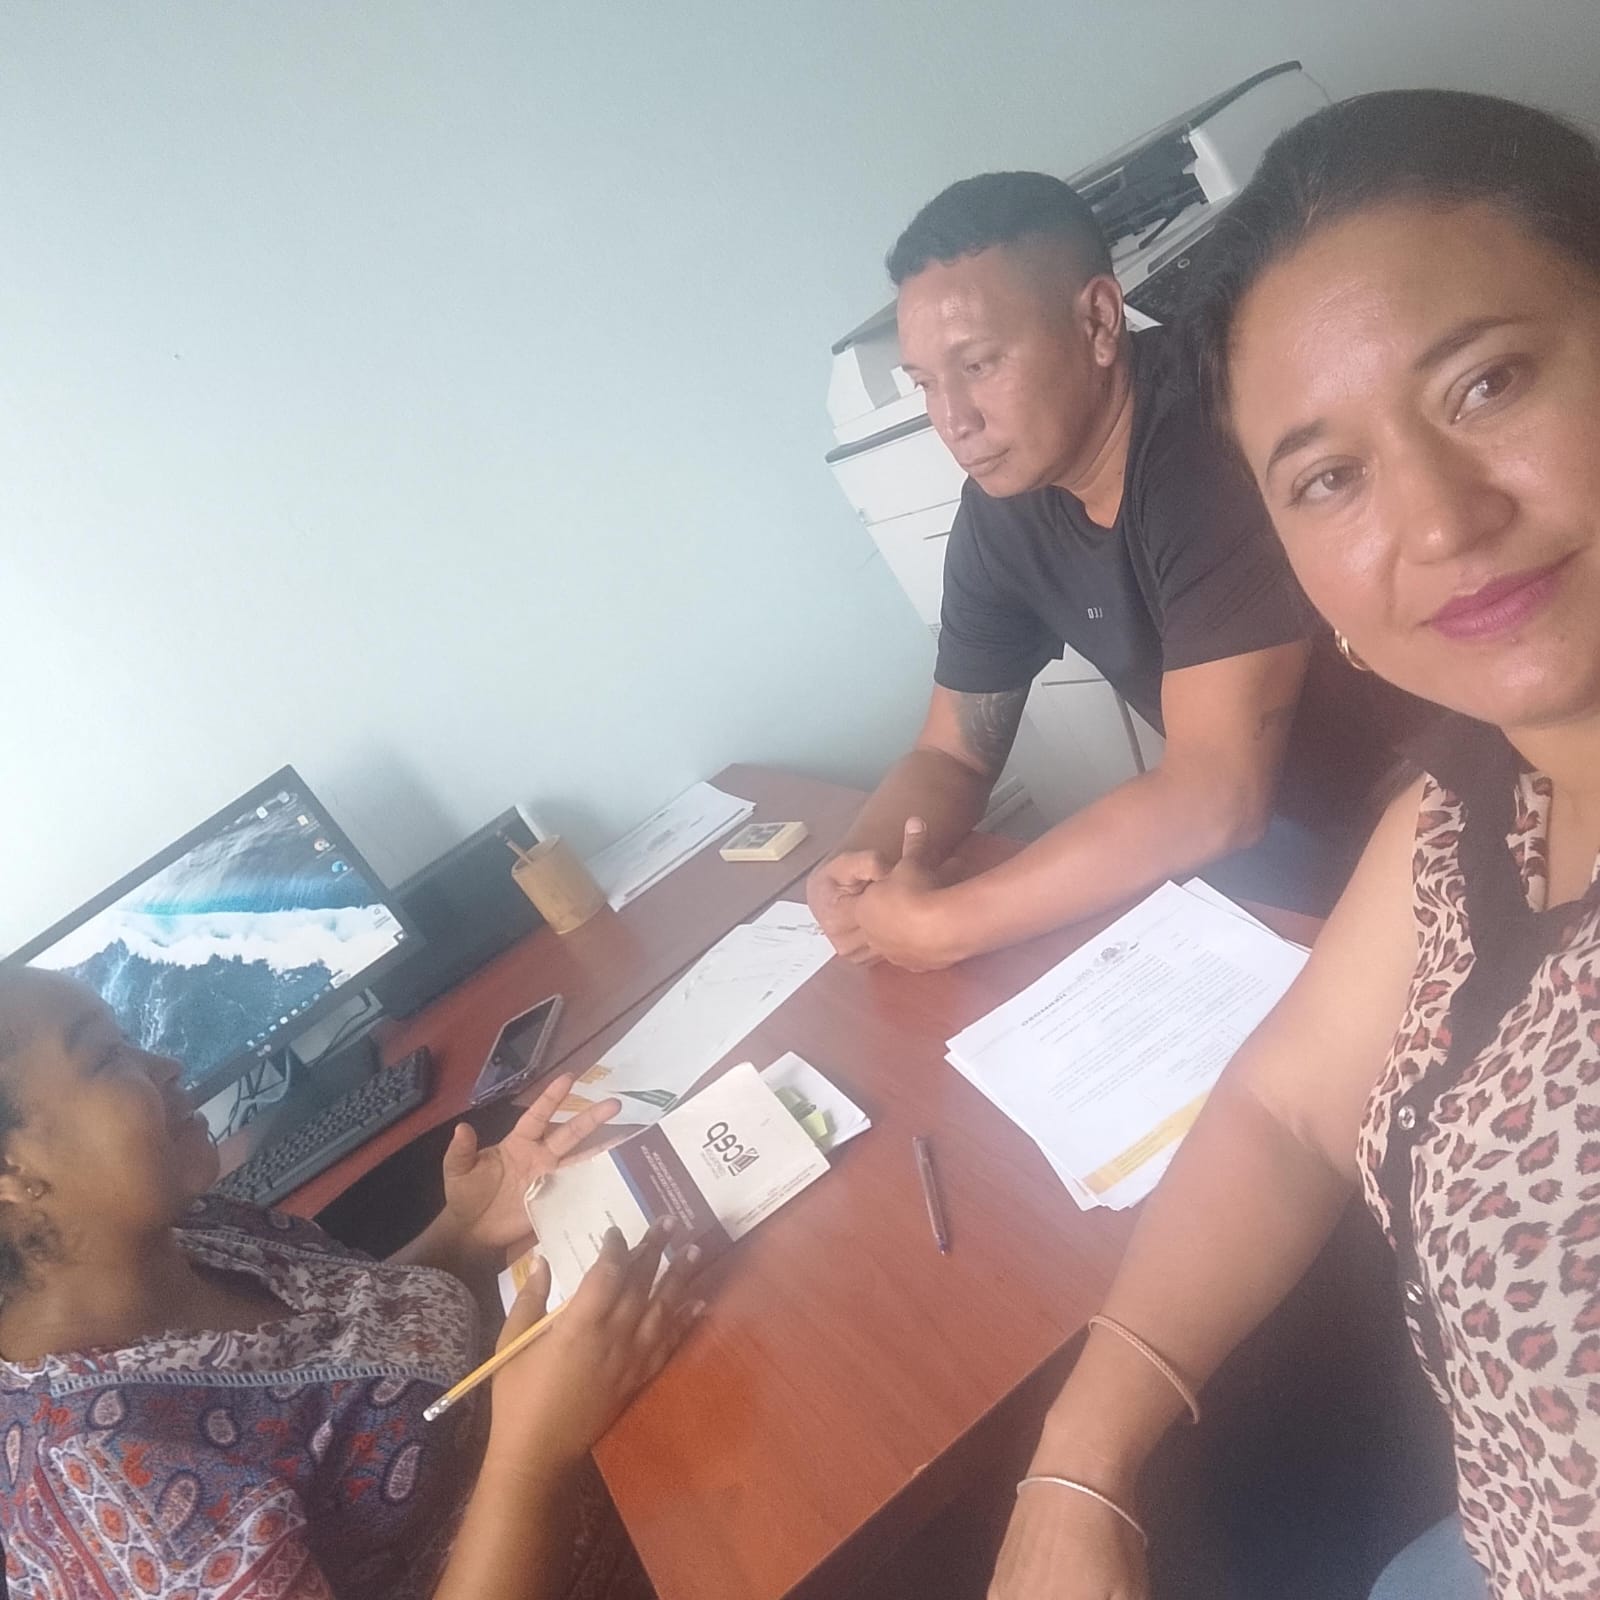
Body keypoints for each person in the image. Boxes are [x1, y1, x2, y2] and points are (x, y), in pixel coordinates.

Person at [989, 89, 1600, 1600]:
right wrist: (1079, 1456)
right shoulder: (1477, 800)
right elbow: (1286, 1104)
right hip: (1506, 1525)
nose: (1439, 520)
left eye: (1487, 382)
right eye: (1330, 477)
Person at [807, 171, 1428, 972]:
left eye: (980, 365)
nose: (953, 421)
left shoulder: (1211, 443)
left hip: (1439, 805)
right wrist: (861, 866)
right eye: (926, 383)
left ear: (1099, 322)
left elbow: (1214, 796)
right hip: (1290, 836)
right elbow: (954, 754)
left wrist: (948, 924)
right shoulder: (1004, 507)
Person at [0, 966, 704, 1600]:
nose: (167, 1065)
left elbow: (349, 1355)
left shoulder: (191, 1228)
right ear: (10, 1171)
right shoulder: (105, 1489)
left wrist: (465, 1234)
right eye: (106, 1056)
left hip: (638, 1455)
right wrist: (530, 1460)